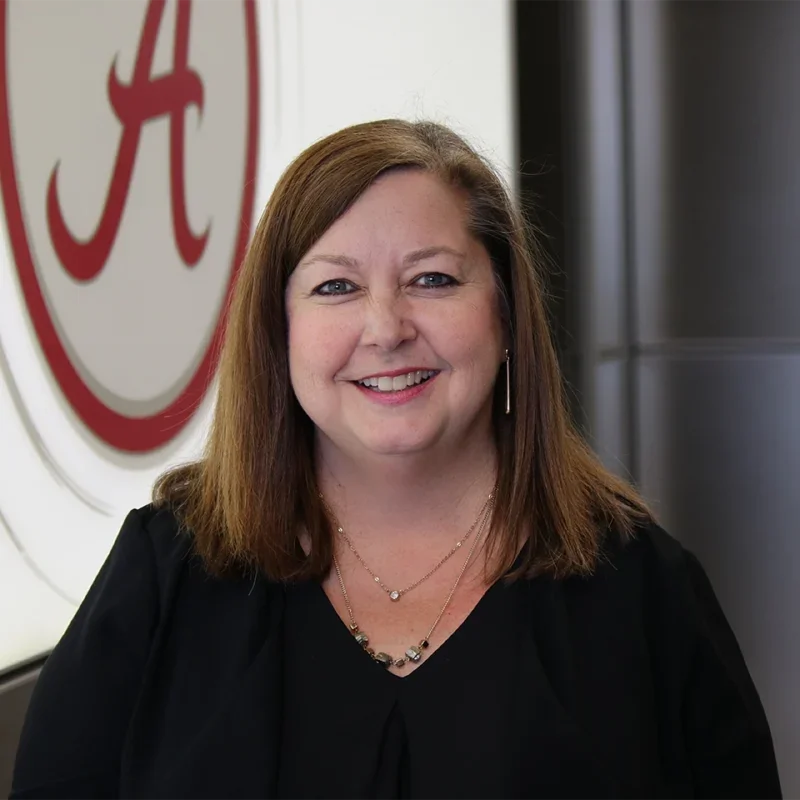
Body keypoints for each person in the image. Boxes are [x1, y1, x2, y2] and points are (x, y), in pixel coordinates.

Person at [10, 119, 782, 799]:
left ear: (507, 316)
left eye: (433, 280)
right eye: (336, 286)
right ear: (278, 335)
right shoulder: (163, 578)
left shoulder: (645, 590)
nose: (385, 327)